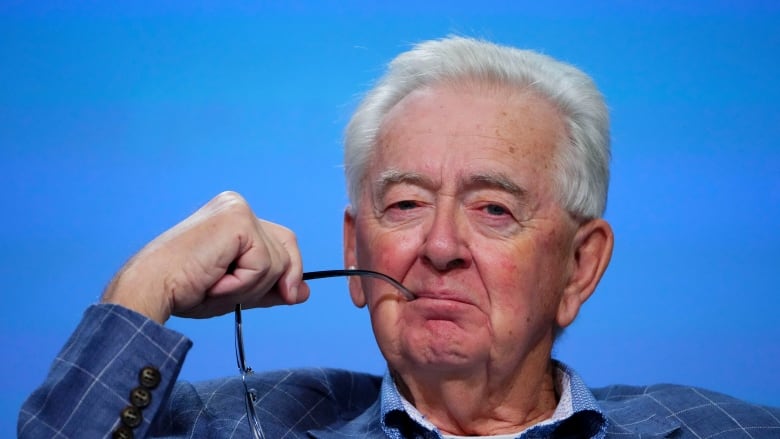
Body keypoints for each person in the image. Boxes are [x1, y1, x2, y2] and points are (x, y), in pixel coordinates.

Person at [18, 36, 780, 439]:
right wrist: (143, 286)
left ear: (581, 266)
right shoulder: (223, 425)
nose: (440, 246)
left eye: (493, 209)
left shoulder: (734, 430)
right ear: (354, 253)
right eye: (407, 203)